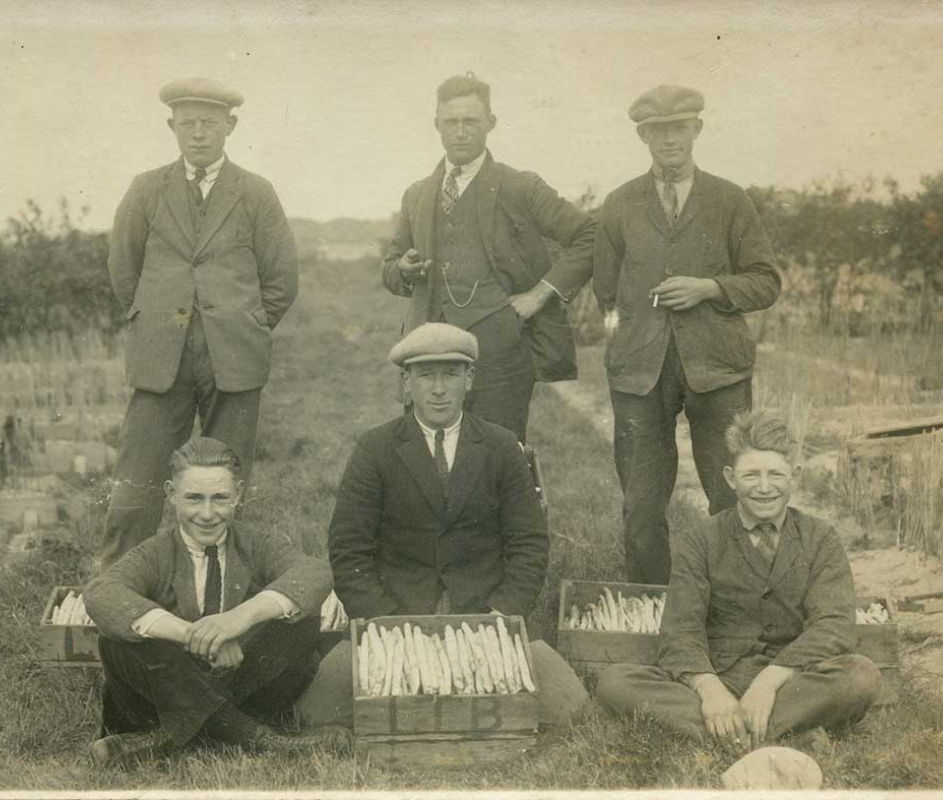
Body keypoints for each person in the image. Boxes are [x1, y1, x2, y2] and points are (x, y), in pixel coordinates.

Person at [296, 323, 590, 727]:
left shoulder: (502, 445)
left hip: (484, 612)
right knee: (316, 714)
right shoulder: (375, 448)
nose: (438, 389)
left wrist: (501, 614)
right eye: (425, 375)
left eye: (450, 375)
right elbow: (349, 550)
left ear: (469, 380)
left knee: (570, 710)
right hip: (396, 615)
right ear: (406, 381)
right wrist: (384, 621)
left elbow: (529, 543)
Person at [101, 77, 298, 569]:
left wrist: (246, 325)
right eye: (187, 124)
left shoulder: (255, 192)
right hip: (160, 356)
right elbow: (123, 268)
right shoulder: (146, 189)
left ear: (230, 126)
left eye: (209, 123)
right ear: (172, 127)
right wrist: (154, 321)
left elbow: (281, 277)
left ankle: (221, 587)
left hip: (233, 358)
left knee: (226, 483)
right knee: (136, 483)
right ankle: (120, 585)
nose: (198, 134)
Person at [596, 410, 881, 749]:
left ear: (795, 476)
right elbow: (681, 630)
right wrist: (709, 689)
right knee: (614, 681)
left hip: (792, 680)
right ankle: (779, 729)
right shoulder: (701, 538)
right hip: (719, 679)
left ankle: (726, 734)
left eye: (775, 474)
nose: (764, 488)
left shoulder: (821, 538)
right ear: (731, 478)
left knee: (861, 675)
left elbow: (834, 626)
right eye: (751, 475)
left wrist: (770, 681)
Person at [593, 84, 782, 585]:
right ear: (644, 137)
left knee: (733, 494)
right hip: (639, 375)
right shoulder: (619, 204)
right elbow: (605, 295)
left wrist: (710, 287)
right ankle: (651, 606)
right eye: (657, 131)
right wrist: (621, 343)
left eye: (678, 128)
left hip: (717, 369)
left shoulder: (728, 200)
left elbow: (766, 281)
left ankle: (738, 603)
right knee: (640, 502)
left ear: (696, 130)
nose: (668, 140)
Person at [83, 438, 345, 766]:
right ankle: (259, 739)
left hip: (240, 680)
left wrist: (238, 619)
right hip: (170, 687)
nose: (207, 514)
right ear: (170, 494)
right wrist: (193, 635)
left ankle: (166, 738)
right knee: (118, 638)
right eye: (194, 498)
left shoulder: (256, 543)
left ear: (238, 494)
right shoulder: (155, 553)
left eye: (220, 498)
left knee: (301, 614)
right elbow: (102, 593)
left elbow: (314, 573)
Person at [382, 73, 596, 443]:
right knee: (426, 460)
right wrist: (402, 268)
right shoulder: (416, 195)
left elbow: (590, 236)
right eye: (451, 122)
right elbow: (390, 266)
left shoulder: (521, 187)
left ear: (490, 124)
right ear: (437, 126)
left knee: (499, 459)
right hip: (427, 355)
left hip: (501, 356)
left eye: (471, 121)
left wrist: (540, 294)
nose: (460, 131)